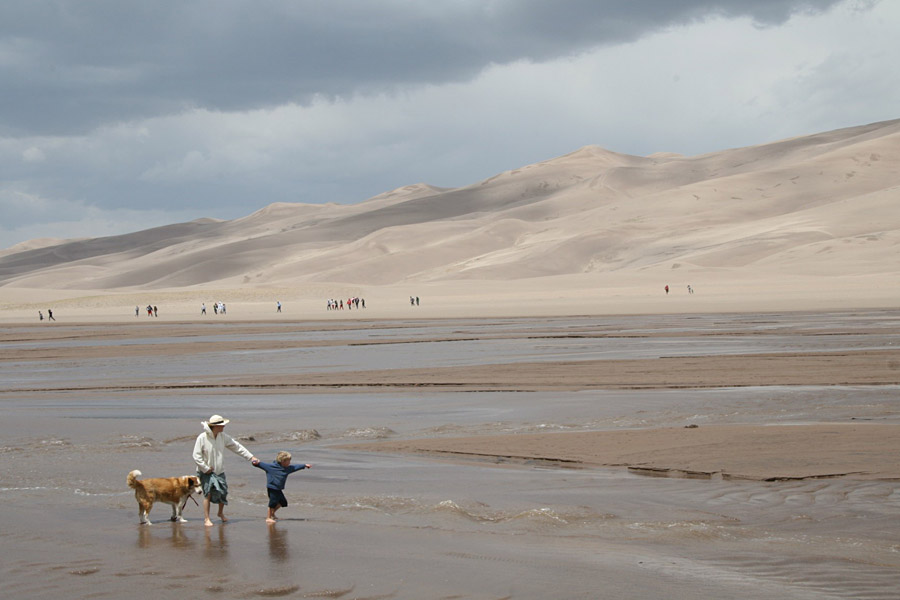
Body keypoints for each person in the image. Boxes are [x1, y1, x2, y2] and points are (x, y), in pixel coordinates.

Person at [192, 414, 257, 526]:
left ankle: (220, 513)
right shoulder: (202, 437)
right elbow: (196, 456)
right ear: (214, 426)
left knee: (223, 492)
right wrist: (206, 468)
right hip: (205, 472)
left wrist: (251, 457)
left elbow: (236, 447)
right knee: (207, 494)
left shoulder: (223, 436)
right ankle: (207, 518)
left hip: (219, 470)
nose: (224, 427)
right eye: (222, 425)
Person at [251, 451, 311, 523]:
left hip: (278, 489)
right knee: (272, 503)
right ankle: (268, 518)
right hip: (272, 488)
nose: (290, 463)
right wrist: (254, 462)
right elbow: (259, 464)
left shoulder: (287, 468)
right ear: (283, 461)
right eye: (289, 461)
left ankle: (272, 514)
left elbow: (295, 467)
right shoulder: (271, 467)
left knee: (283, 503)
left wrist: (304, 465)